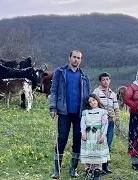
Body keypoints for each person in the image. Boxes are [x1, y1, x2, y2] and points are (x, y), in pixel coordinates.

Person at [49, 50, 91, 178]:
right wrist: (53, 107)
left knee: (77, 140)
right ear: (69, 58)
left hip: (79, 114)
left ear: (80, 60)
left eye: (79, 58)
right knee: (61, 139)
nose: (76, 60)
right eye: (74, 57)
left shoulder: (84, 76)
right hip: (64, 112)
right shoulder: (60, 72)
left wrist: (89, 112)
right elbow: (54, 90)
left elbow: (88, 95)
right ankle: (57, 169)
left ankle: (73, 169)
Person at [93, 72, 120, 174]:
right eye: (103, 80)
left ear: (110, 80)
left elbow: (116, 107)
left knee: (108, 143)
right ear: (100, 81)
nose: (105, 81)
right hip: (100, 122)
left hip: (110, 121)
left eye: (107, 79)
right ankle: (97, 166)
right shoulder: (97, 92)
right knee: (100, 143)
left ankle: (105, 166)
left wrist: (117, 119)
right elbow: (94, 105)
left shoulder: (113, 94)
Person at [80, 94, 110, 180]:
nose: (92, 102)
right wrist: (83, 133)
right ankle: (88, 170)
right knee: (88, 152)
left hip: (98, 134)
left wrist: (103, 136)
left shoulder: (102, 112)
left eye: (93, 100)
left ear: (97, 100)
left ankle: (97, 170)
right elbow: (83, 123)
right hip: (88, 135)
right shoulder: (85, 112)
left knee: (98, 152)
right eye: (90, 102)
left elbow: (105, 124)